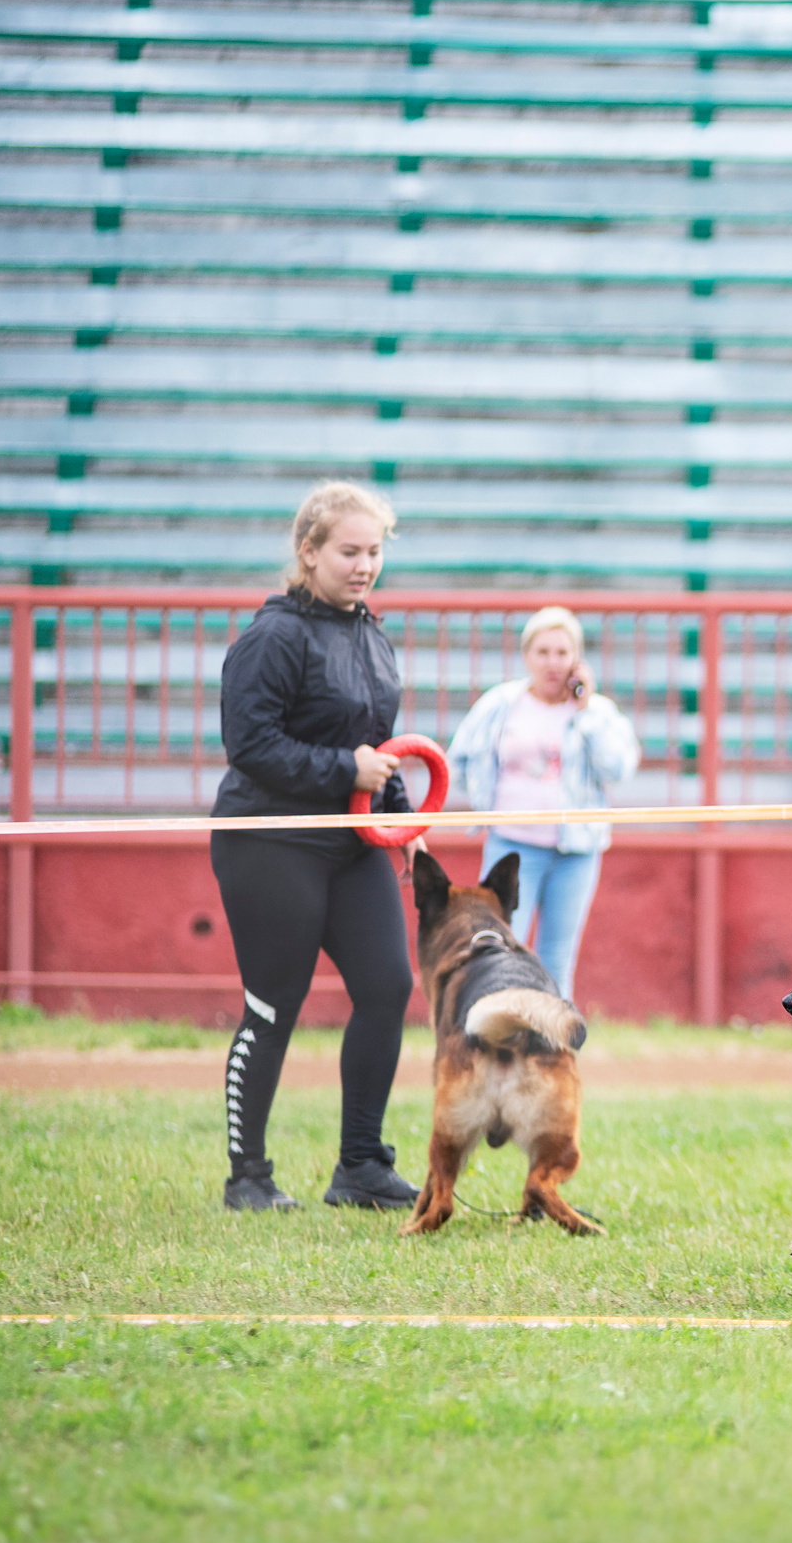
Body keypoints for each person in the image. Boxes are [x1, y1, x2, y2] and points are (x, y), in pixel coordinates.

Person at [210, 481, 420, 1214]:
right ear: (309, 552)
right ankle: (249, 1177)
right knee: (273, 1005)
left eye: (374, 552)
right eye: (349, 551)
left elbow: (374, 746)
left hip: (349, 840)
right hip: (269, 840)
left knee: (388, 985)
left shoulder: (370, 629)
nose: (364, 565)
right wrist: (345, 770)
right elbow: (252, 744)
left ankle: (361, 1165)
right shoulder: (273, 637)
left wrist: (402, 822)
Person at [446, 606, 639, 1002]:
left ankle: (553, 1049)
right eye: (543, 652)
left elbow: (619, 767)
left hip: (575, 852)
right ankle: (499, 1038)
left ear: (577, 659)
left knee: (556, 958)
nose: (553, 662)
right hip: (511, 845)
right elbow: (460, 758)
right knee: (500, 949)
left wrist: (585, 712)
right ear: (527, 656)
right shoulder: (501, 703)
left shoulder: (597, 712)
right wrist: (490, 800)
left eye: (562, 653)